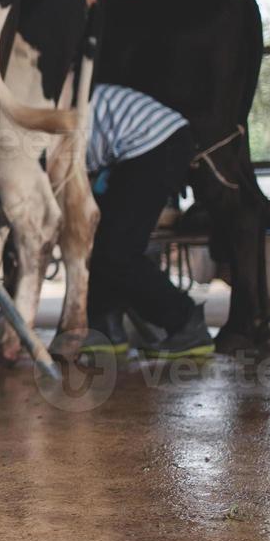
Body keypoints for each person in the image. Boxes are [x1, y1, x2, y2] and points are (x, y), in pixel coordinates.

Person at [80, 82, 215, 358]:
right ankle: (104, 326)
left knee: (118, 250)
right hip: (151, 142)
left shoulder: (50, 124)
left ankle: (187, 322)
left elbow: (74, 179)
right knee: (106, 239)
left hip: (156, 144)